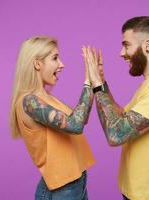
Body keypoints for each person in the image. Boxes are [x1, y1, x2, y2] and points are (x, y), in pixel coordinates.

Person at [84, 16, 149, 200]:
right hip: (137, 193)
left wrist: (96, 87)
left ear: (147, 46)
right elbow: (122, 118)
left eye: (126, 45)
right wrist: (102, 83)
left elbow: (116, 134)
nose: (121, 53)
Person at [9, 36, 95, 200]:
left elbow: (81, 118)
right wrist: (87, 82)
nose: (61, 64)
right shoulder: (29, 102)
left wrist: (92, 84)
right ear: (37, 64)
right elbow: (76, 125)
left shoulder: (46, 98)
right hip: (61, 189)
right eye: (55, 58)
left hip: (76, 181)